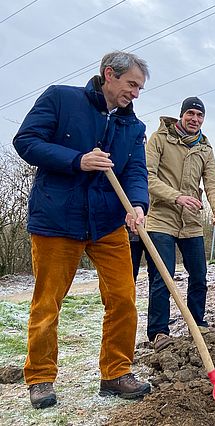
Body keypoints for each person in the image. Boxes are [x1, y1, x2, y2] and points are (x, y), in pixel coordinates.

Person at [13, 51, 151, 409]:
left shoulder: (133, 127)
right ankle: (41, 378)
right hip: (58, 219)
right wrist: (77, 160)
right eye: (132, 84)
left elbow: (135, 171)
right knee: (47, 303)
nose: (136, 93)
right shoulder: (61, 98)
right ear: (109, 74)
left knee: (123, 297)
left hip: (107, 222)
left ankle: (116, 372)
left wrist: (137, 205)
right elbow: (26, 141)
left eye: (140, 88)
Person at [144, 97, 215, 350]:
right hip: (160, 218)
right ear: (181, 115)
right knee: (163, 277)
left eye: (200, 116)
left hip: (190, 221)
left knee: (200, 276)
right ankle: (159, 332)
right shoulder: (159, 139)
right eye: (190, 114)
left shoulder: (204, 148)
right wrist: (176, 197)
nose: (195, 119)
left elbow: (212, 183)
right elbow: (146, 177)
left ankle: (196, 323)